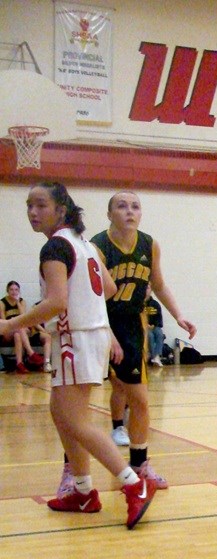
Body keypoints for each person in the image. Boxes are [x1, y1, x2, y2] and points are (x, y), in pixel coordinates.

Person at [0, 182, 156, 528]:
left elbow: (56, 302)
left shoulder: (56, 247)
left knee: (74, 421)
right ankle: (83, 491)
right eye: (29, 205)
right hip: (90, 336)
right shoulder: (83, 244)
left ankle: (134, 484)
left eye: (41, 205)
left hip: (77, 339)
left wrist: (10, 326)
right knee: (61, 414)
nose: (32, 212)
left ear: (61, 209)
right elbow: (111, 289)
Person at [84, 190, 197, 491]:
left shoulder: (149, 244)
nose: (129, 211)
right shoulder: (97, 246)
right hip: (99, 326)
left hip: (132, 326)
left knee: (141, 401)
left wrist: (178, 316)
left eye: (135, 206)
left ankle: (139, 464)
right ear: (109, 214)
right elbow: (93, 297)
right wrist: (107, 334)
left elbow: (158, 283)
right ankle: (74, 472)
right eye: (121, 206)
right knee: (77, 406)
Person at [1, 281, 47, 373]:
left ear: (19, 291)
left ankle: (19, 364)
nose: (14, 292)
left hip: (20, 330)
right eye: (11, 289)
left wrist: (17, 302)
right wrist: (13, 323)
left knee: (18, 334)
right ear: (7, 291)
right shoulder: (2, 302)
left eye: (16, 290)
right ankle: (31, 354)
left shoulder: (22, 301)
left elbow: (24, 317)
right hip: (7, 330)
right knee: (19, 329)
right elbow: (3, 321)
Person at [144, 285, 165, 366]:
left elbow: (159, 318)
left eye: (148, 288)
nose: (146, 291)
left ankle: (156, 357)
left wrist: (154, 325)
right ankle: (153, 356)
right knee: (150, 336)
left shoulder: (155, 304)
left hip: (154, 326)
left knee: (160, 334)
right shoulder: (139, 304)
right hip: (143, 327)